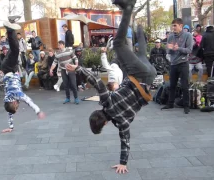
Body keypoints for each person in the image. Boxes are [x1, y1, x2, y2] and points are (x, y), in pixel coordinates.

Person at [66, 0, 156, 173]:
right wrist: (78, 68)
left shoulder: (122, 123)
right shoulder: (106, 101)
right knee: (118, 44)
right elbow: (96, 81)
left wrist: (123, 162)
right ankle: (130, 15)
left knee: (142, 54)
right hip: (138, 76)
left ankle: (133, 16)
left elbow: (126, 141)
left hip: (149, 78)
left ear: (106, 124)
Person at [1, 17, 45, 133]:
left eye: (16, 107)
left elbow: (29, 101)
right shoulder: (7, 100)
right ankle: (11, 24)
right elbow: (9, 113)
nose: (18, 106)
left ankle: (9, 28)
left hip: (9, 68)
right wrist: (10, 127)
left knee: (15, 50)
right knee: (15, 48)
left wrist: (38, 111)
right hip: (10, 69)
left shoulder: (16, 94)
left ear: (13, 103)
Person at [161, 18, 193, 114]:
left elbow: (189, 50)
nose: (173, 28)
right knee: (172, 85)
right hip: (173, 63)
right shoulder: (170, 37)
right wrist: (169, 49)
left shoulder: (188, 35)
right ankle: (170, 103)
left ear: (181, 26)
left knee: (184, 85)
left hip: (183, 63)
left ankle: (186, 106)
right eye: (172, 26)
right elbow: (169, 51)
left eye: (175, 25)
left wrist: (178, 48)